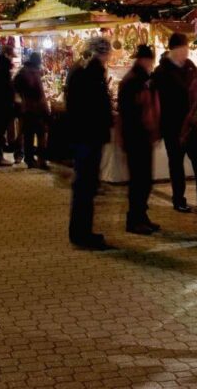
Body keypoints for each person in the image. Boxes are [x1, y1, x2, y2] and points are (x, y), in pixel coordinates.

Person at [152, 32, 197, 217]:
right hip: (173, 125)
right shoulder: (162, 72)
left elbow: (195, 86)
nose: (186, 52)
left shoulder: (189, 66)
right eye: (184, 48)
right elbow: (161, 100)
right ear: (175, 49)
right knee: (176, 164)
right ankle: (179, 200)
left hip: (192, 123)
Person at [66, 37, 114, 250]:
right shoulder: (92, 73)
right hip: (89, 135)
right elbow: (97, 106)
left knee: (83, 186)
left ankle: (80, 232)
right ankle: (82, 234)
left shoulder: (79, 70)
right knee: (85, 186)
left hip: (80, 134)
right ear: (102, 53)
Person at [118, 44, 161, 235]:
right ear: (145, 60)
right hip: (137, 137)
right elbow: (133, 112)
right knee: (139, 181)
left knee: (144, 180)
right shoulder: (135, 81)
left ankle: (141, 217)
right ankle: (135, 219)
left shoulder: (139, 79)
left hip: (139, 136)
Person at [14, 52, 50, 169]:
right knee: (40, 134)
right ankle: (41, 160)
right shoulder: (34, 73)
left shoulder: (23, 71)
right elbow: (40, 93)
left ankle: (29, 159)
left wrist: (22, 98)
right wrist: (45, 109)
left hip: (26, 108)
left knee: (28, 134)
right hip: (36, 109)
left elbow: (15, 86)